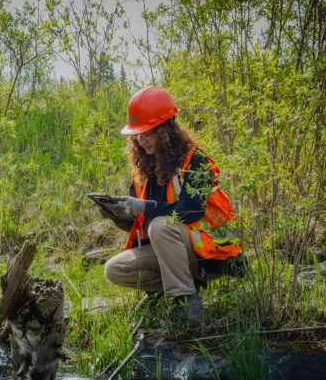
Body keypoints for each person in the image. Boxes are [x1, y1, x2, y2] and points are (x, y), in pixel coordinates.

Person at [100, 87, 243, 324]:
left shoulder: (196, 161)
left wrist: (143, 207)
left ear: (165, 132)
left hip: (209, 255)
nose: (140, 141)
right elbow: (142, 228)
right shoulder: (142, 172)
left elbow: (192, 210)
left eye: (147, 134)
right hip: (173, 255)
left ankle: (186, 304)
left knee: (160, 226)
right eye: (136, 135)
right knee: (114, 269)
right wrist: (117, 215)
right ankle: (177, 286)